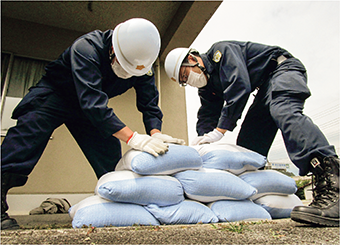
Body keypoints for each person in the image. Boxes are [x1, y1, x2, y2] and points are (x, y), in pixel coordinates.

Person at [1, 18, 185, 230]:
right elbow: (93, 104)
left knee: (111, 162)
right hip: (56, 95)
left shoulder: (142, 65)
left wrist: (155, 133)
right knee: (24, 142)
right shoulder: (86, 48)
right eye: (124, 66)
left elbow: (149, 103)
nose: (127, 74)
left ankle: (120, 209)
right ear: (113, 48)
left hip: (89, 109)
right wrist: (133, 138)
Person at [164, 41, 339, 227]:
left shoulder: (221, 51)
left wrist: (220, 131)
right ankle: (260, 196)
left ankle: (332, 180)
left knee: (283, 110)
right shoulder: (207, 88)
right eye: (184, 82)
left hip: (283, 69)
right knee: (248, 146)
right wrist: (202, 141)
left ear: (192, 59)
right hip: (265, 88)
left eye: (185, 74)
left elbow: (239, 85)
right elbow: (207, 114)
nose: (189, 81)